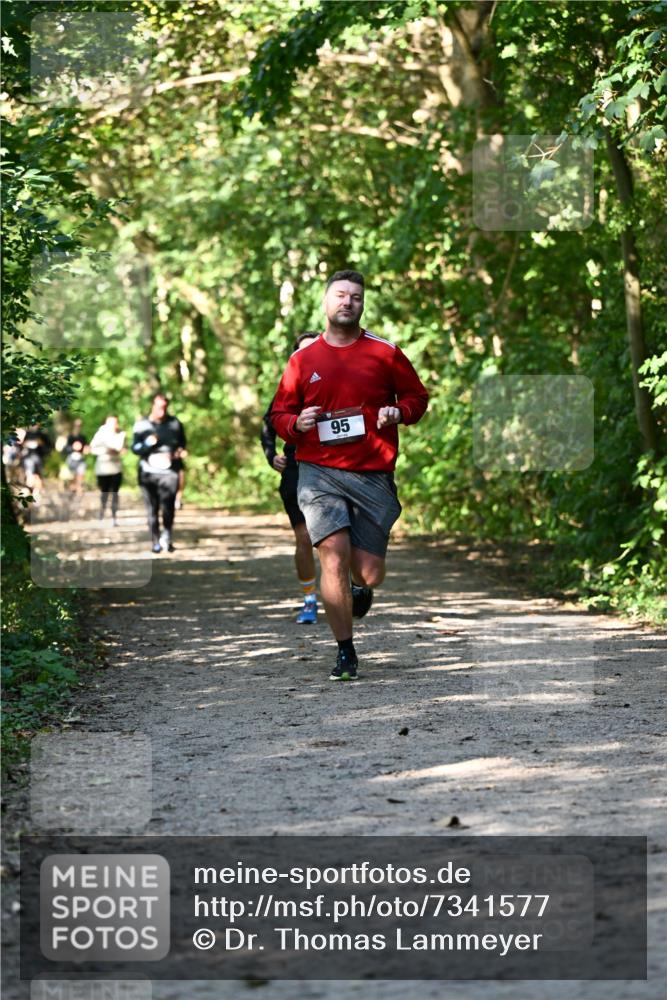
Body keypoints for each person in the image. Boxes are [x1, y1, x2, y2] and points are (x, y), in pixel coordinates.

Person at [271, 270, 429, 681]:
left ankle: (362, 588)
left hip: (373, 473)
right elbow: (278, 414)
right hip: (319, 473)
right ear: (326, 303)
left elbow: (417, 397)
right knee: (333, 556)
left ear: (362, 305)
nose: (347, 302)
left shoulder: (385, 353)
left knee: (369, 572)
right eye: (340, 295)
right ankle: (345, 651)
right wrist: (296, 424)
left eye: (355, 297)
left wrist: (401, 411)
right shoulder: (302, 361)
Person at [261, 332, 320, 624]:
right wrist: (271, 455)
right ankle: (309, 598)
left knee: (343, 537)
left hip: (339, 466)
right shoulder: (288, 388)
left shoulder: (339, 379)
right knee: (305, 537)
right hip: (297, 467)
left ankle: (350, 588)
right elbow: (268, 423)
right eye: (302, 352)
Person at [132, 393, 186, 553]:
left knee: (168, 507)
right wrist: (148, 444)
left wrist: (179, 452)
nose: (162, 411)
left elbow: (182, 444)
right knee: (152, 508)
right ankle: (155, 541)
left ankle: (167, 537)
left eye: (165, 407)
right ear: (152, 406)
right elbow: (134, 449)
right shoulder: (142, 425)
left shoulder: (175, 424)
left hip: (170, 472)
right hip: (148, 472)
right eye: (159, 408)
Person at [90, 415, 126, 525]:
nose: (113, 425)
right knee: (104, 493)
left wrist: (119, 451)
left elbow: (124, 449)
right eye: (111, 422)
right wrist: (106, 450)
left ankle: (114, 517)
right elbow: (92, 449)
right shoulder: (100, 434)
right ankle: (102, 513)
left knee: (115, 493)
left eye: (115, 422)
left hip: (116, 468)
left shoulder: (121, 434)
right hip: (103, 469)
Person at [21, 425, 53, 500]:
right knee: (30, 475)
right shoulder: (28, 434)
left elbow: (49, 447)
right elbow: (22, 446)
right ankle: (30, 493)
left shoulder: (42, 435)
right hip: (28, 459)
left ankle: (36, 493)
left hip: (39, 459)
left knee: (37, 476)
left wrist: (41, 444)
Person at [60, 418, 89, 494]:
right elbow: (65, 449)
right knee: (72, 477)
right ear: (74, 426)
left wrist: (86, 449)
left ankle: (79, 491)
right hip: (71, 459)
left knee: (81, 474)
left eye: (80, 425)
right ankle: (72, 489)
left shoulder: (83, 437)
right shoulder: (70, 437)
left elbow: (86, 447)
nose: (78, 427)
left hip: (80, 459)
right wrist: (73, 447)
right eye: (77, 425)